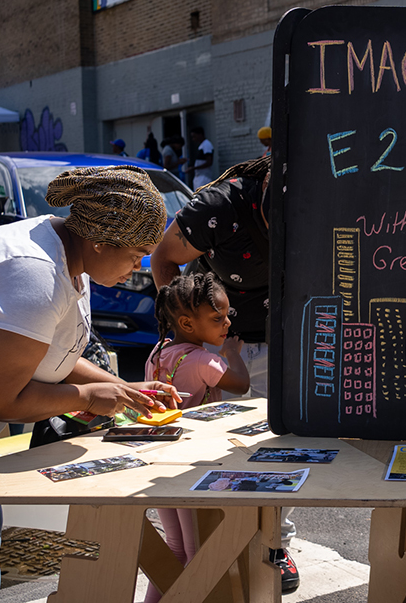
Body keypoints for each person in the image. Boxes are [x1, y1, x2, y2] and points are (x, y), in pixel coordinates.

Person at [0, 166, 181, 602]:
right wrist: (84, 397)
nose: (140, 265)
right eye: (137, 253)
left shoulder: (71, 256)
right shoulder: (34, 273)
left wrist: (123, 390)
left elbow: (48, 357)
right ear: (101, 240)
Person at [149, 155, 299, 593]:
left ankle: (275, 546)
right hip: (222, 346)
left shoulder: (324, 203)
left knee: (282, 452)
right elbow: (164, 258)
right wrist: (186, 337)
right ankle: (223, 545)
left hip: (287, 340)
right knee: (228, 453)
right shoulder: (218, 209)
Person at [143, 272, 249, 603]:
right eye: (217, 318)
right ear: (188, 323)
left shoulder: (159, 352)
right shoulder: (207, 360)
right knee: (196, 550)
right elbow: (241, 385)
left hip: (158, 459)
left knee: (174, 546)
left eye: (227, 316)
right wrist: (232, 353)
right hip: (190, 465)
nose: (226, 325)